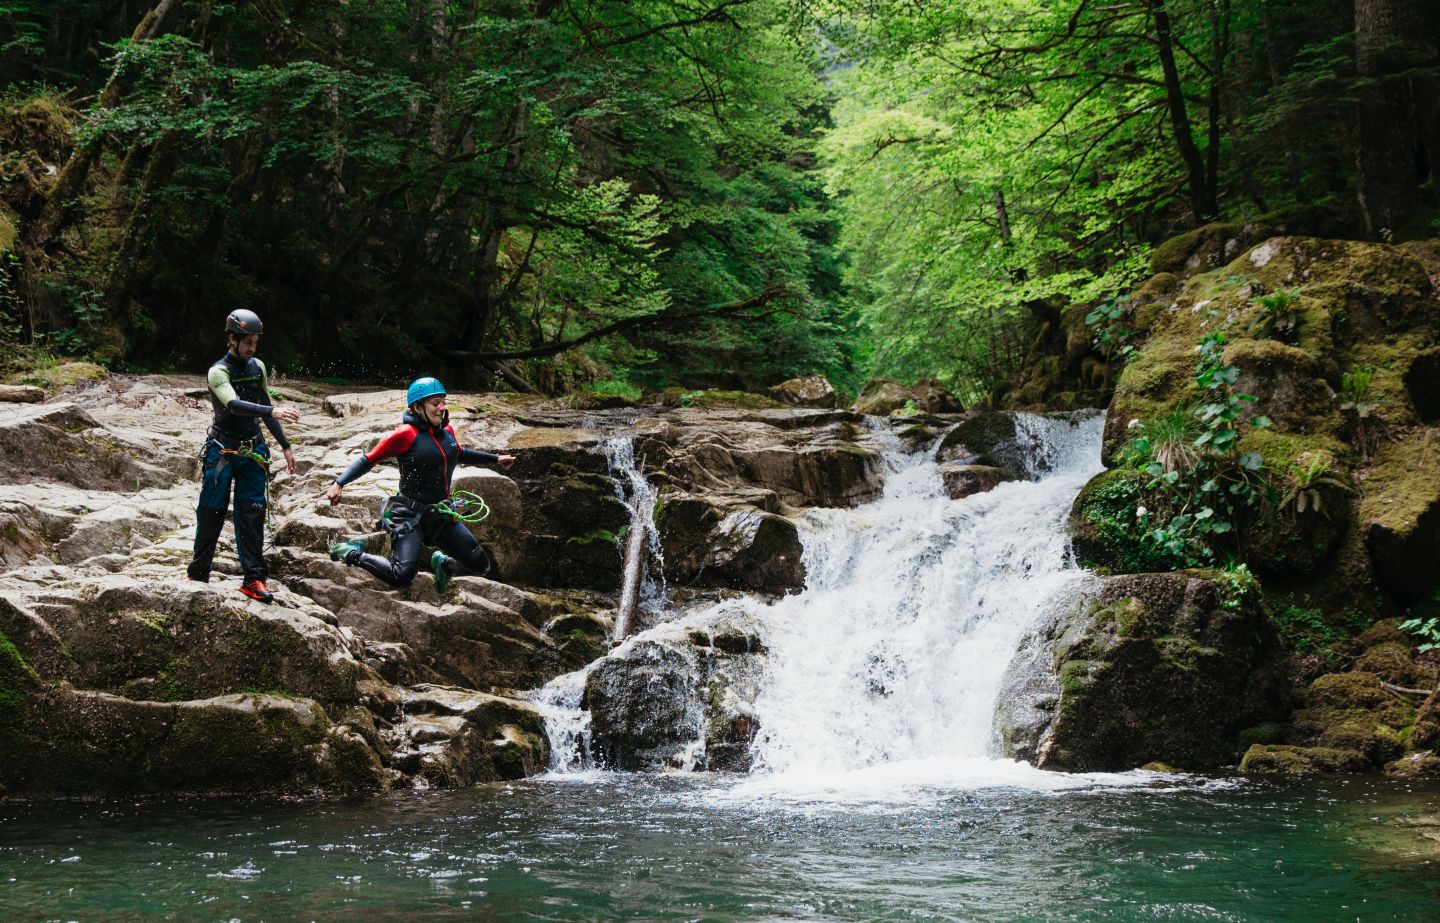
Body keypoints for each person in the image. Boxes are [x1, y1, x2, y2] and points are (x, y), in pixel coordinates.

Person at [325, 376, 516, 592]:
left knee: (480, 565)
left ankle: (443, 564)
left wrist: (496, 459)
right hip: (409, 515)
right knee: (402, 577)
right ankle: (351, 552)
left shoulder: (447, 432)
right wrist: (339, 483)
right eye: (435, 403)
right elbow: (369, 460)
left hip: (440, 514)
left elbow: (459, 453)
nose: (442, 408)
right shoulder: (405, 435)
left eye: (443, 402)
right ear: (417, 407)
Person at [186, 309, 300, 602]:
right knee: (212, 510)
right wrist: (271, 411)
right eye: (248, 342)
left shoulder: (257, 366)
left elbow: (264, 404)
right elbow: (234, 404)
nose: (252, 348)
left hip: (253, 450)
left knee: (252, 512)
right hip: (221, 449)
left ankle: (254, 579)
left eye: (256, 342)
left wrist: (285, 445)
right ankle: (198, 572)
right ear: (232, 339)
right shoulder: (218, 372)